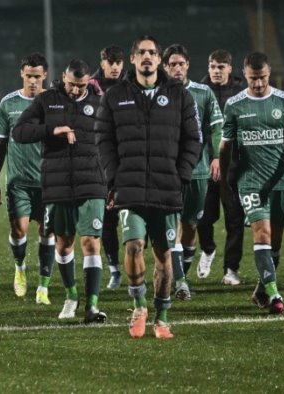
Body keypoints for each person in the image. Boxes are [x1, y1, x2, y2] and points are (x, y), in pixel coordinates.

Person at [96, 35, 201, 339]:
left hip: (166, 187)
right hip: (129, 187)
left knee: (164, 255)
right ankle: (139, 304)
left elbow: (192, 139)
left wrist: (181, 174)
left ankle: (163, 317)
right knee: (133, 245)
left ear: (158, 60)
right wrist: (114, 177)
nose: (146, 57)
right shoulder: (115, 96)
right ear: (133, 59)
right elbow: (103, 140)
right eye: (141, 52)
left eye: (151, 53)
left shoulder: (179, 95)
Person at [13, 59, 107, 323]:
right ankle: (71, 297)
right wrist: (51, 130)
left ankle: (92, 306)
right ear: (62, 77)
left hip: (92, 183)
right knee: (64, 244)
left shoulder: (100, 104)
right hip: (58, 184)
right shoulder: (47, 101)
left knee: (91, 243)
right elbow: (19, 131)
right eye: (71, 84)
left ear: (88, 81)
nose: (75, 90)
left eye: (80, 85)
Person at [219, 51, 284, 314]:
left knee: (275, 242)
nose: (257, 84)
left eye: (262, 78)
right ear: (245, 74)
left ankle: (261, 287)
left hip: (279, 180)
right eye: (252, 79)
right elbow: (225, 147)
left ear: (270, 73)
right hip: (250, 181)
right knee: (262, 234)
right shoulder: (234, 104)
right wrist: (224, 182)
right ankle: (275, 294)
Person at [0, 53, 56, 304]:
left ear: (45, 76)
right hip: (18, 182)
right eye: (28, 76)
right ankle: (20, 268)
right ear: (21, 74)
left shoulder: (53, 103)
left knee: (47, 232)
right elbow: (1, 145)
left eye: (37, 77)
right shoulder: (8, 103)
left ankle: (43, 286)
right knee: (19, 229)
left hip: (48, 182)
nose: (32, 81)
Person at [162, 44, 223, 300]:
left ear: (188, 65)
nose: (177, 68)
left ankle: (181, 276)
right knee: (172, 225)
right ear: (165, 67)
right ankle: (180, 282)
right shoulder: (159, 93)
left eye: (181, 63)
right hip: (168, 172)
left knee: (191, 225)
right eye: (172, 64)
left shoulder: (203, 92)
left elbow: (217, 127)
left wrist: (217, 157)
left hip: (198, 170)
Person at [197, 49, 247, 285]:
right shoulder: (199, 92)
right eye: (213, 66)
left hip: (235, 168)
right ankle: (208, 249)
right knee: (203, 217)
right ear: (208, 68)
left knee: (235, 220)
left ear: (230, 68)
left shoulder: (241, 92)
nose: (216, 71)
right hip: (206, 166)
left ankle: (230, 269)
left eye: (221, 67)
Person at [89, 45, 125, 289]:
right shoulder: (90, 86)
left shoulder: (131, 84)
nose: (114, 66)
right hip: (100, 163)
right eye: (110, 62)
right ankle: (114, 270)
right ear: (102, 63)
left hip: (128, 160)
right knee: (108, 220)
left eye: (118, 62)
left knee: (135, 215)